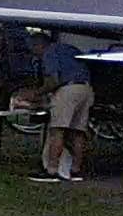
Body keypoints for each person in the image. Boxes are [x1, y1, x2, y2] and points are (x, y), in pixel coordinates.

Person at [36, 32, 95, 183]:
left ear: (39, 45)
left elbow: (53, 80)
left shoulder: (49, 52)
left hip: (68, 89)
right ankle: (75, 170)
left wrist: (37, 93)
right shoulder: (70, 48)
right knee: (77, 131)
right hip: (86, 88)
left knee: (57, 130)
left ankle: (52, 170)